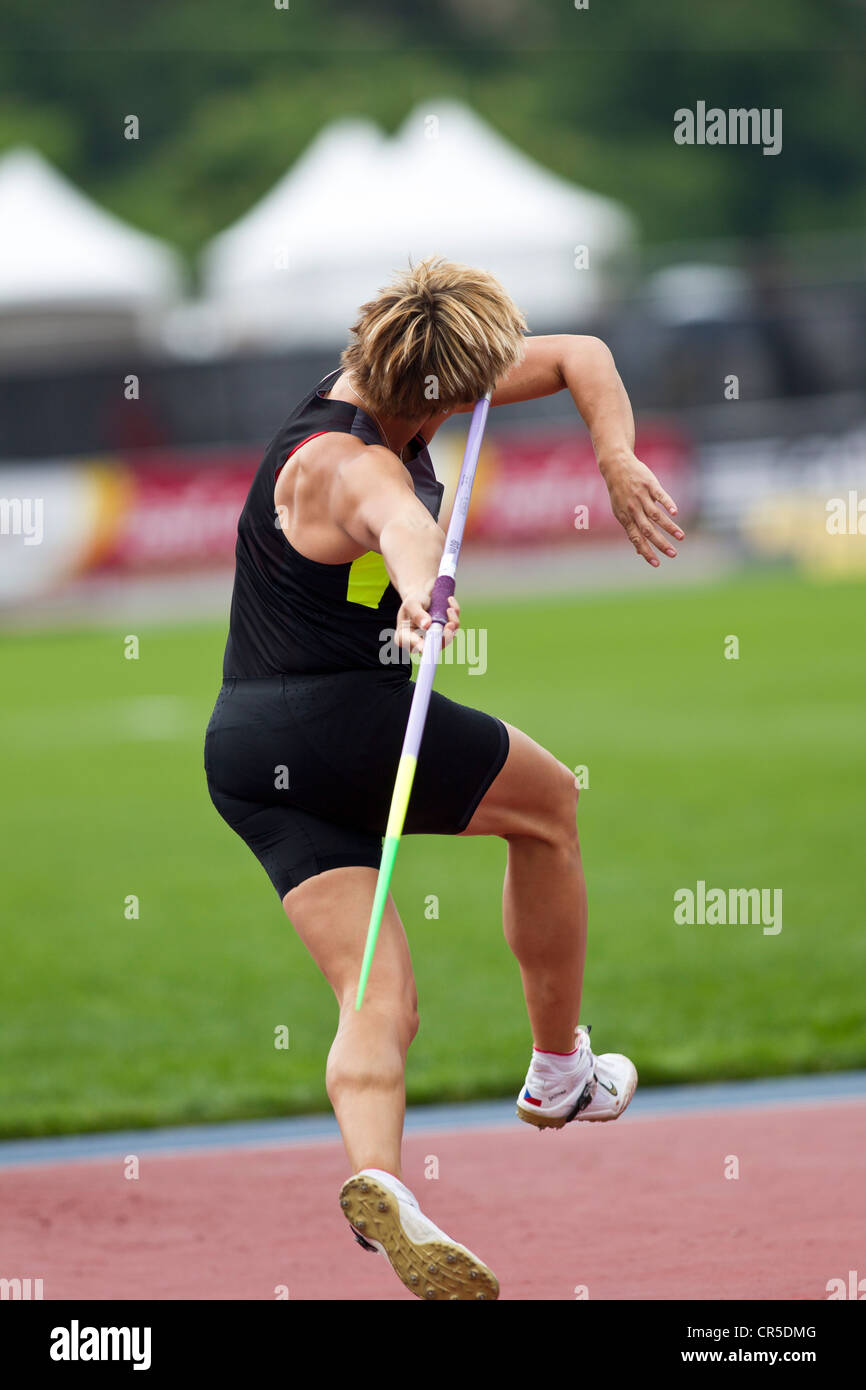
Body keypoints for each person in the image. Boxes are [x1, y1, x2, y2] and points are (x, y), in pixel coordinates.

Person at [204, 256, 684, 1301]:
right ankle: (559, 1072)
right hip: (345, 720)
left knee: (375, 994)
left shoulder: (384, 382)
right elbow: (398, 524)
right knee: (549, 806)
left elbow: (577, 355)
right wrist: (423, 594)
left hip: (245, 751)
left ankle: (380, 1181)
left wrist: (613, 457)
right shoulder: (347, 464)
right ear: (435, 392)